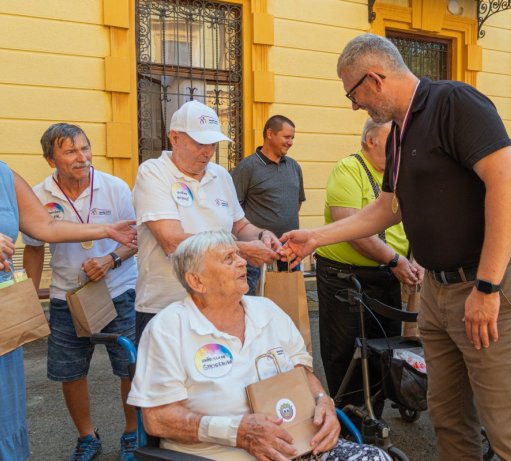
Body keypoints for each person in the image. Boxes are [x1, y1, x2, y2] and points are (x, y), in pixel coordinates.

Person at [281, 34, 511, 461]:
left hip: (487, 285)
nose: (354, 105)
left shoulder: (455, 103)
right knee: (447, 417)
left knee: (509, 429)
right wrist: (315, 237)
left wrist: (487, 287)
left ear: (374, 78)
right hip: (438, 291)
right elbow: (389, 207)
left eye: (353, 93)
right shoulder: (398, 134)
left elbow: (509, 181)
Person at [128, 230, 392, 461]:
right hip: (218, 456)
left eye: (238, 255)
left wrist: (323, 402)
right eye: (228, 258)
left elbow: (301, 371)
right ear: (197, 281)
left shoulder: (267, 310)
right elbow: (158, 418)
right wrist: (238, 432)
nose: (243, 261)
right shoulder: (168, 329)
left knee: (376, 457)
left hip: (298, 446)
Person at [0, 160, 136, 461]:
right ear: (51, 159)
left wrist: (106, 231)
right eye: (70, 150)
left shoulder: (5, 174)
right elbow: (35, 247)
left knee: (4, 405)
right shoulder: (42, 189)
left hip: (3, 314)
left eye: (84, 148)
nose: (81, 156)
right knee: (70, 371)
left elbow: (45, 226)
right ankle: (87, 437)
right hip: (62, 297)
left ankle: (131, 433)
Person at [133, 100, 281, 341]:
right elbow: (171, 241)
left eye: (212, 144)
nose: (208, 151)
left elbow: (240, 225)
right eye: (199, 143)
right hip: (166, 306)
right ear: (175, 138)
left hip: (219, 303)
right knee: (168, 379)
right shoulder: (153, 172)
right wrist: (241, 249)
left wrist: (262, 236)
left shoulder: (220, 175)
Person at [315, 118, 423, 409]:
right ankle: (350, 423)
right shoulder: (349, 169)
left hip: (388, 274)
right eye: (393, 140)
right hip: (346, 279)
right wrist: (395, 260)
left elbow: (417, 222)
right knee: (347, 353)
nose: (400, 147)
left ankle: (374, 416)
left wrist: (417, 259)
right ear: (371, 141)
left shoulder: (399, 175)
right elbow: (352, 229)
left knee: (386, 349)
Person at [231, 115, 305, 295]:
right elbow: (234, 210)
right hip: (256, 253)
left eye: (292, 138)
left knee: (288, 303)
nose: (291, 142)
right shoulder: (247, 167)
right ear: (270, 134)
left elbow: (297, 203)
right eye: (287, 137)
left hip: (288, 251)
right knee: (251, 302)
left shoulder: (294, 166)